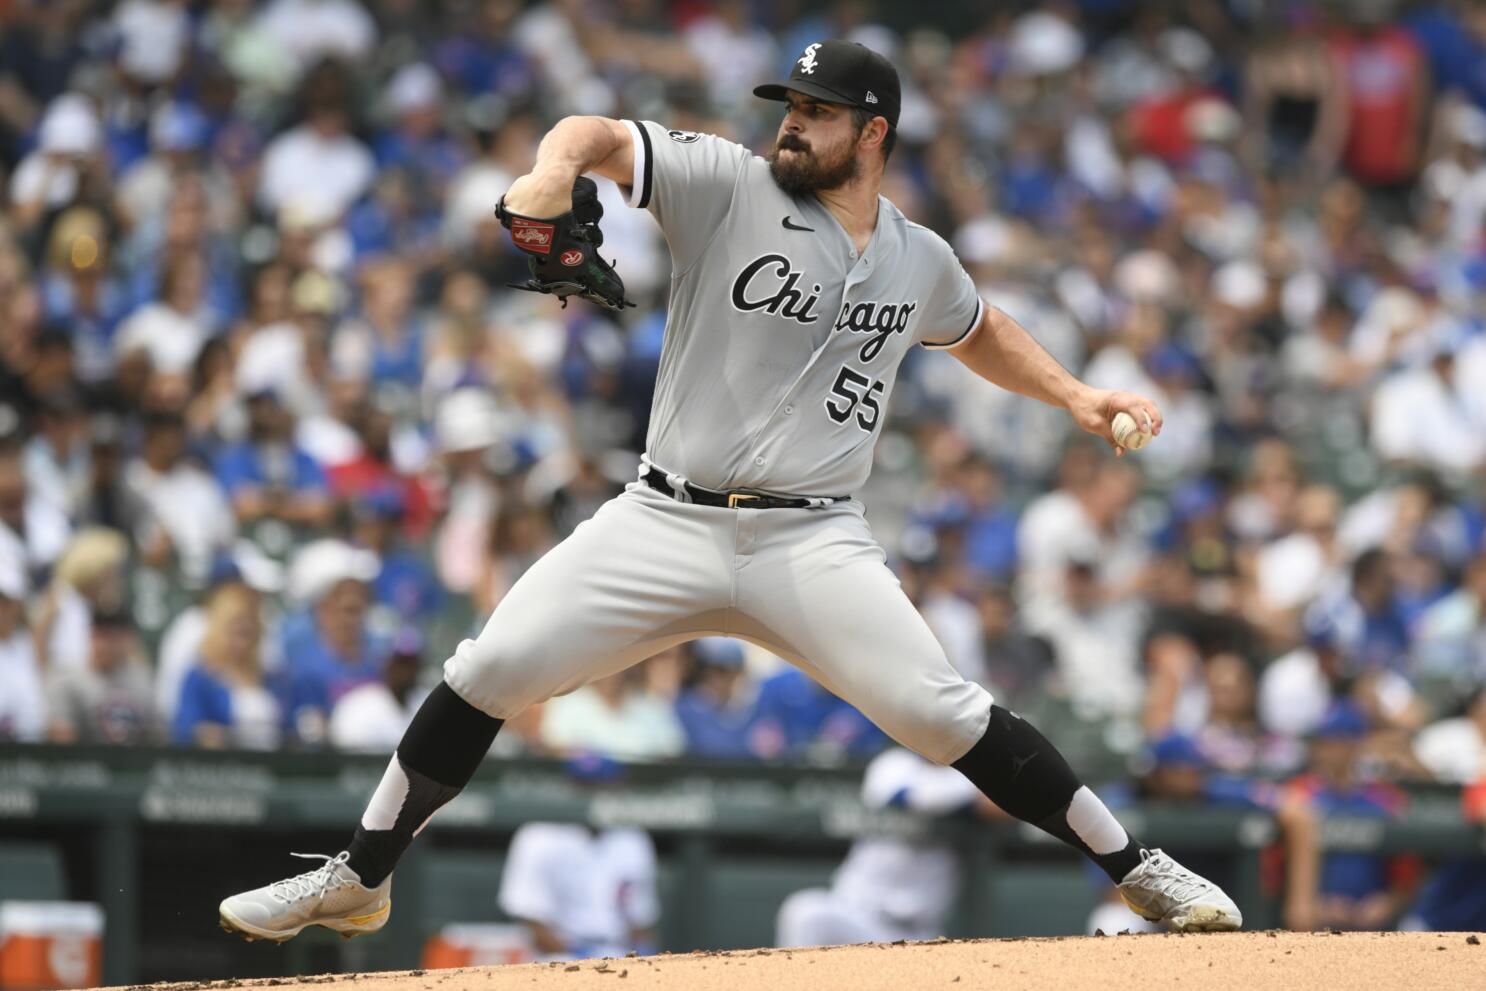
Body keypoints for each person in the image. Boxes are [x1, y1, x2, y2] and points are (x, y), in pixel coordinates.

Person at [219, 39, 1240, 943]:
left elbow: (978, 329)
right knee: (490, 666)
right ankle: (358, 878)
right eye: (788, 108)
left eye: (816, 113)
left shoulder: (916, 259)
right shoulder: (726, 184)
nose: (791, 126)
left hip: (811, 542)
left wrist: (1073, 393)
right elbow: (595, 133)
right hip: (665, 518)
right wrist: (547, 170)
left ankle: (1136, 867)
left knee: (942, 716)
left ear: (871, 133)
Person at [776, 746, 998, 947]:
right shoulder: (892, 764)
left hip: (918, 933)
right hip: (856, 914)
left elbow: (999, 807)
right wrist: (968, 796)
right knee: (804, 912)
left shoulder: (969, 776)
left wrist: (972, 795)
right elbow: (907, 796)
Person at [172, 583, 280, 750]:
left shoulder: (270, 676)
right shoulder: (200, 676)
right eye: (236, 627)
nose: (243, 638)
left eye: (249, 628)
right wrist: (206, 734)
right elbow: (185, 727)